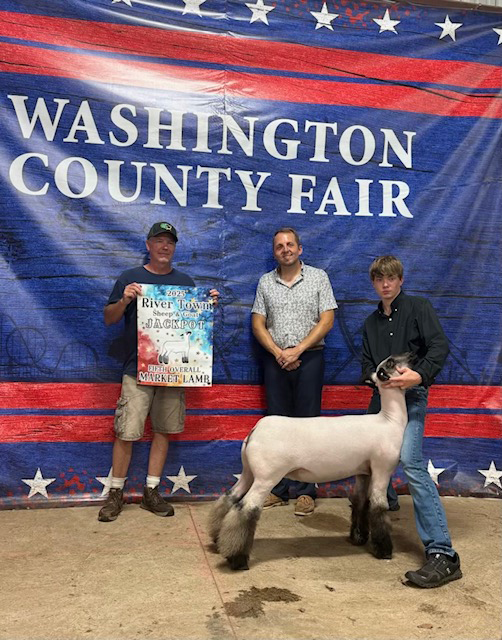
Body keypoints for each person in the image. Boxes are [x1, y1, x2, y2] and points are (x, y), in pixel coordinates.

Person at [98, 221, 218, 522]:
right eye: (159, 240)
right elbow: (109, 318)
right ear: (148, 245)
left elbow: (194, 326)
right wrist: (124, 299)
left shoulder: (185, 282)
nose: (165, 246)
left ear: (174, 248)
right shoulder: (130, 278)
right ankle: (116, 492)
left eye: (170, 242)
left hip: (173, 372)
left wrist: (205, 306)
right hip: (136, 369)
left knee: (163, 429)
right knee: (127, 431)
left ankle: (151, 490)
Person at [361, 255, 462, 588]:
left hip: (412, 397)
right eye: (379, 279)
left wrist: (418, 375)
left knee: (411, 461)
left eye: (391, 278)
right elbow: (366, 366)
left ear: (400, 280)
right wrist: (377, 379)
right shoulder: (370, 324)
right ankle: (381, 509)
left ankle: (443, 553)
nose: (385, 284)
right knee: (366, 458)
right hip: (382, 401)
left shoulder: (419, 308)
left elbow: (439, 346)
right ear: (374, 283)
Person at [251, 227, 337, 516]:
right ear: (274, 252)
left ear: (300, 249)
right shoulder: (265, 282)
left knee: (308, 427)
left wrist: (298, 350)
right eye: (279, 246)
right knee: (277, 427)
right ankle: (277, 489)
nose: (285, 249)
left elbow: (327, 319)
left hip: (309, 358)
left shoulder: (318, 277)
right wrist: (279, 353)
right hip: (275, 360)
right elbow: (258, 323)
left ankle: (305, 492)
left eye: (290, 244)